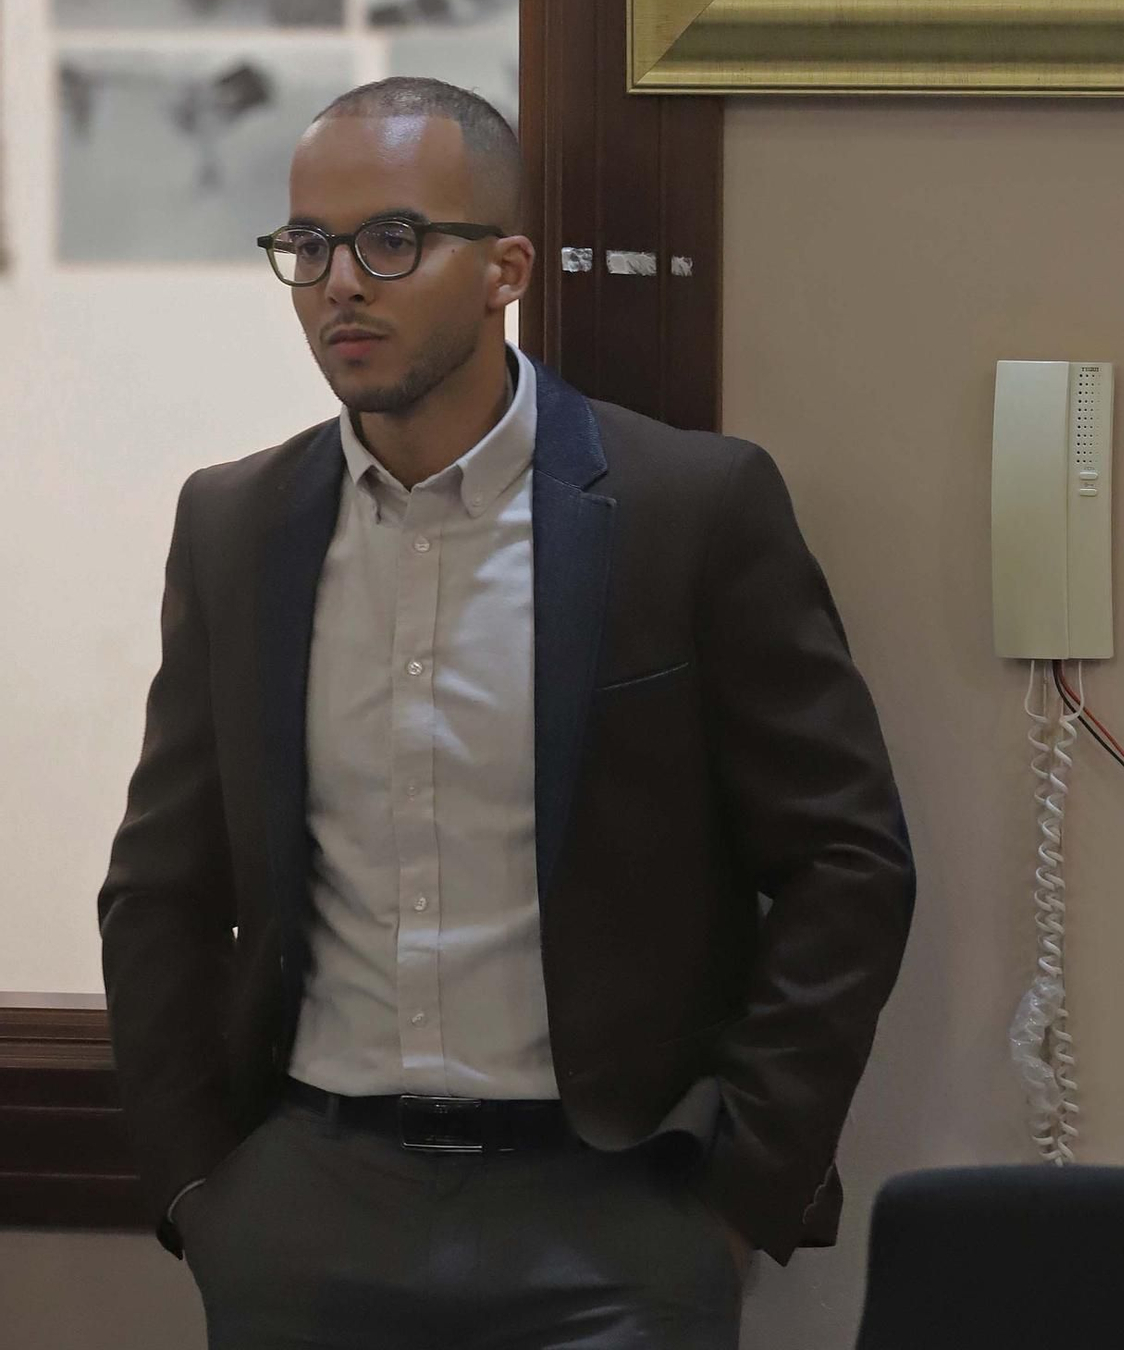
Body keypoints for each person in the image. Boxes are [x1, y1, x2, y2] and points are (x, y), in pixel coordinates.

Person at [100, 76, 914, 1350]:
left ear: (505, 268)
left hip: (610, 1215)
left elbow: (846, 860)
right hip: (309, 1202)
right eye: (307, 245)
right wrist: (204, 1187)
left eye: (390, 239)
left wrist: (739, 1191)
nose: (339, 283)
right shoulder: (236, 524)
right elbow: (161, 884)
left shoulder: (687, 508)